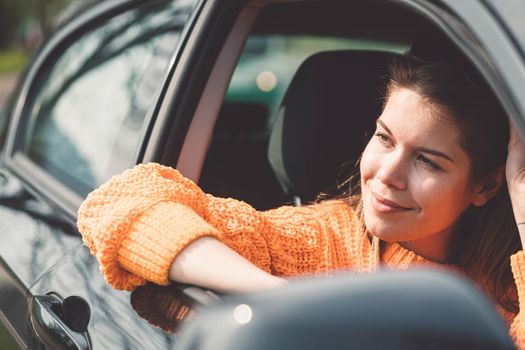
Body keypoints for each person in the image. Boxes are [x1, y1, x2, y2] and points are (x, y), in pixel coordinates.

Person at [77, 49, 525, 347]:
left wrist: (522, 204)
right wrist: (282, 296)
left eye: (427, 161)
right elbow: (121, 203)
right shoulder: (322, 240)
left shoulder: (509, 288)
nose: (387, 175)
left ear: (485, 185)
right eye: (384, 138)